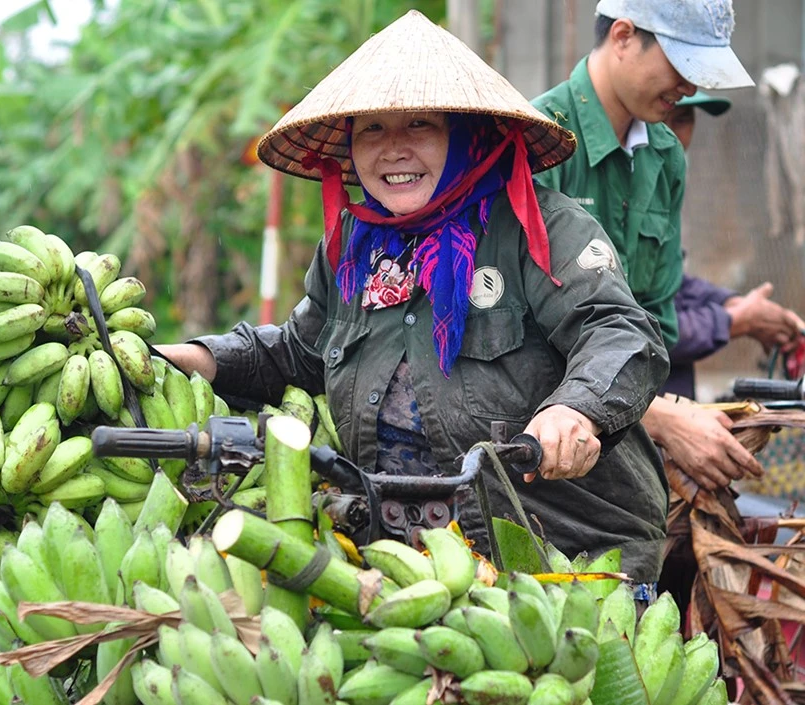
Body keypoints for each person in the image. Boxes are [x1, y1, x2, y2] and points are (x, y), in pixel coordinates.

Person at [159, 10, 671, 588]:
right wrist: (193, 359)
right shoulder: (351, 247)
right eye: (372, 129)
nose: (393, 150)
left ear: (467, 137)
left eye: (420, 125)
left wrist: (574, 411)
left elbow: (618, 331)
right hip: (409, 556)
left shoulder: (541, 229)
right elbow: (300, 353)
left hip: (565, 558)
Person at [531, 0, 766, 492]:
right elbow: (516, 342)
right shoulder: (541, 141)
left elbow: (653, 325)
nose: (691, 88)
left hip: (626, 425)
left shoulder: (665, 155)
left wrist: (667, 417)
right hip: (546, 440)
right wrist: (659, 419)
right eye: (682, 65)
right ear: (622, 36)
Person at [660, 92, 805, 400]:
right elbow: (637, 329)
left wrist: (737, 306)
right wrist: (734, 321)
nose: (669, 137)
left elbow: (667, 285)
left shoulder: (664, 188)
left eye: (683, 121)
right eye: (661, 120)